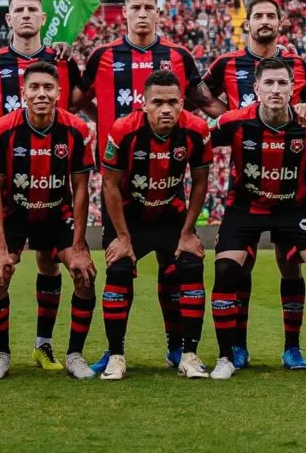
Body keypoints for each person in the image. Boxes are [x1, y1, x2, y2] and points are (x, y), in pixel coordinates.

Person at [77, 0, 226, 372]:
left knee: (175, 267)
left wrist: (246, 119)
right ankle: (114, 352)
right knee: (120, 265)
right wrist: (108, 123)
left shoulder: (178, 55)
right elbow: (76, 100)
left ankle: (178, 348)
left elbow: (204, 102)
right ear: (123, 12)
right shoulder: (102, 55)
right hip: (122, 186)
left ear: (158, 13)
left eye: (149, 7)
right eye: (135, 7)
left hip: (168, 186)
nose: (142, 13)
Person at [0, 0, 89, 373]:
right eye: (18, 10)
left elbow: (81, 99)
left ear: (43, 18)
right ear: (9, 19)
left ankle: (45, 346)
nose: (26, 16)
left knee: (50, 264)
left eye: (33, 10)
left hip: (52, 178)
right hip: (4, 175)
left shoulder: (61, 59)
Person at [204, 0, 306, 370]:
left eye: (271, 15)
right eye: (258, 15)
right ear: (248, 23)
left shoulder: (298, 66)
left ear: (280, 22)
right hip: (247, 183)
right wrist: (235, 117)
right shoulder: (227, 63)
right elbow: (201, 94)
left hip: (291, 187)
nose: (264, 21)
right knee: (238, 267)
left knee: (291, 266)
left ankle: (293, 348)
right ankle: (236, 346)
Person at [0, 61, 97, 380]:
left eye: (48, 87)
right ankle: (1, 354)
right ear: (23, 93)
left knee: (84, 274)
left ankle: (72, 353)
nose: (41, 93)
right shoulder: (3, 128)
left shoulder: (77, 128)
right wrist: (0, 247)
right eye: (34, 87)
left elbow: (81, 189)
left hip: (56, 215)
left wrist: (79, 246)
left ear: (59, 92)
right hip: (15, 213)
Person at [99, 70, 212, 380]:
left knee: (189, 265)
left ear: (182, 103)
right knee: (119, 269)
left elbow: (201, 181)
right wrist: (122, 237)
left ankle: (187, 353)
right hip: (128, 215)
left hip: (169, 212)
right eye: (158, 102)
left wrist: (188, 232)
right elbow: (109, 185)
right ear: (144, 104)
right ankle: (116, 355)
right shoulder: (123, 130)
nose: (166, 109)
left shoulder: (196, 129)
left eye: (173, 102)